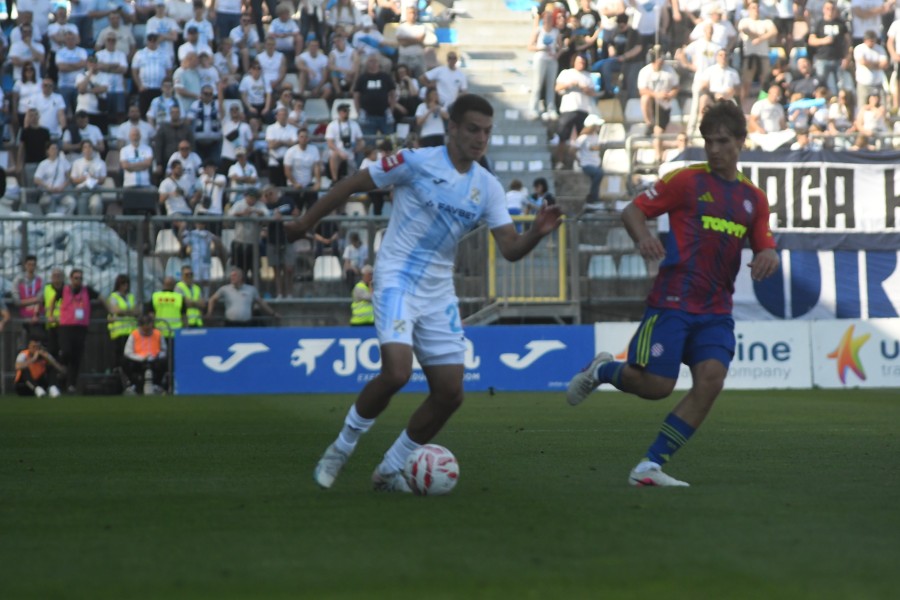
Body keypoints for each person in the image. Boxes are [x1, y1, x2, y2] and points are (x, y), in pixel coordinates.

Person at [284, 93, 563, 492]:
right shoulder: (415, 162)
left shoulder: (488, 186)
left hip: (438, 290)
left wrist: (535, 232)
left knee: (450, 393)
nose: (480, 138)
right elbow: (353, 183)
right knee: (397, 372)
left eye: (487, 132)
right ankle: (340, 449)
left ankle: (389, 469)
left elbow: (510, 249)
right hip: (396, 276)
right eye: (473, 129)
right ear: (452, 128)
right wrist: (305, 223)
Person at [565, 101, 780, 487]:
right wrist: (643, 238)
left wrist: (769, 255)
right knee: (656, 387)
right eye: (708, 141)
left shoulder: (754, 198)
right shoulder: (686, 181)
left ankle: (649, 466)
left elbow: (765, 243)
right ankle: (602, 370)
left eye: (722, 141)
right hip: (673, 302)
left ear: (741, 142)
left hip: (716, 310)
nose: (714, 149)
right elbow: (632, 211)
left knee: (711, 379)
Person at [50, 269, 113, 394]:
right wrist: (51, 315)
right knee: (66, 351)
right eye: (75, 278)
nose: (78, 281)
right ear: (71, 279)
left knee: (76, 356)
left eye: (80, 278)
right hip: (66, 326)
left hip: (81, 327)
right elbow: (53, 300)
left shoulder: (87, 290)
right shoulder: (64, 290)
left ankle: (71, 384)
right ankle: (61, 375)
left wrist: (110, 311)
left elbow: (101, 297)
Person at [207, 267, 280, 326]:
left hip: (246, 325)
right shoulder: (224, 289)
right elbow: (212, 299)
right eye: (231, 276)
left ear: (240, 277)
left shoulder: (251, 289)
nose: (232, 278)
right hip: (230, 324)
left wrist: (273, 313)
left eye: (234, 275)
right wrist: (209, 313)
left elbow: (261, 303)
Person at [122, 314, 169, 395]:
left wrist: (157, 356)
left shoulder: (158, 334)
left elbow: (164, 350)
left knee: (165, 361)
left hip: (154, 359)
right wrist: (141, 358)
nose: (147, 332)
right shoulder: (134, 334)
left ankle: (157, 385)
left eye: (148, 330)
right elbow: (127, 352)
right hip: (138, 360)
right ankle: (133, 385)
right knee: (125, 362)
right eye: (144, 330)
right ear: (140, 327)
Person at [107, 273, 140, 378]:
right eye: (123, 284)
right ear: (118, 285)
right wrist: (129, 312)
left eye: (126, 283)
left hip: (131, 332)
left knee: (130, 357)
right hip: (119, 332)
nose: (125, 286)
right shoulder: (114, 296)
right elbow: (116, 310)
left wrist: (124, 312)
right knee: (119, 357)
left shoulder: (131, 296)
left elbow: (137, 311)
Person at [12, 255, 44, 341]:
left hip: (36, 316)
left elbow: (40, 299)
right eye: (29, 264)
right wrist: (34, 300)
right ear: (25, 265)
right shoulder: (18, 280)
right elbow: (17, 301)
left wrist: (35, 314)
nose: (31, 267)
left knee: (38, 339)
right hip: (22, 316)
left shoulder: (40, 280)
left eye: (33, 265)